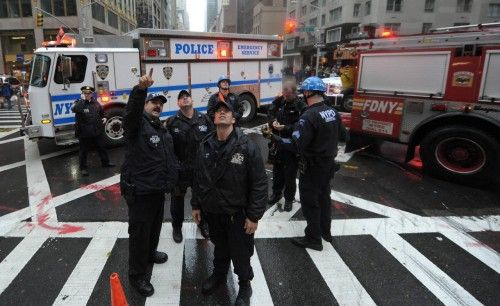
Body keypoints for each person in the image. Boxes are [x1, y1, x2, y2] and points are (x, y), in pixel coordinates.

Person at [191, 100, 268, 306]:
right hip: (214, 212)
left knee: (241, 253)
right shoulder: (205, 145)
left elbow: (259, 184)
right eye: (218, 111)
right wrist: (196, 204)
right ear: (213, 118)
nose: (222, 113)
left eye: (226, 111)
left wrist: (253, 216)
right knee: (220, 248)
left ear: (234, 118)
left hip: (238, 215)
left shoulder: (246, 146)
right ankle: (218, 275)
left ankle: (245, 284)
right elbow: (199, 177)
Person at [265, 76, 340, 251]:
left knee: (310, 202)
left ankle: (313, 239)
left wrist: (273, 137)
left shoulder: (309, 116)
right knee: (324, 198)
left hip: (312, 167)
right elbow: (344, 136)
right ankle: (325, 232)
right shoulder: (333, 112)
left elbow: (294, 145)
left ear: (307, 92)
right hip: (328, 165)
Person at [120, 73, 178, 297]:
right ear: (144, 104)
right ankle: (136, 276)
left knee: (154, 228)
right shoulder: (136, 125)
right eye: (153, 102)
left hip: (156, 190)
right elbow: (131, 113)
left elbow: (167, 159)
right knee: (139, 234)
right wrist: (140, 89)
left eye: (161, 104)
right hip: (140, 192)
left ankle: (150, 253)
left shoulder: (159, 128)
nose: (158, 106)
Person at [165, 89, 212, 243]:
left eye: (187, 96)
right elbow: (166, 148)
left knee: (202, 199)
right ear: (178, 103)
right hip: (180, 171)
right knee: (177, 200)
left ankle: (202, 223)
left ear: (192, 100)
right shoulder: (172, 122)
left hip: (200, 169)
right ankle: (177, 227)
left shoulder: (204, 119)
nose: (185, 98)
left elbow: (213, 141)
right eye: (181, 98)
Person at [265, 81, 306, 211]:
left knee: (290, 175)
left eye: (287, 94)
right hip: (277, 144)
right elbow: (270, 113)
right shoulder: (279, 101)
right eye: (284, 93)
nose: (285, 96)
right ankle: (276, 194)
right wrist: (273, 122)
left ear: (294, 93)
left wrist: (286, 128)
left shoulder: (301, 106)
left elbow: (303, 125)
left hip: (291, 146)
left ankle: (288, 199)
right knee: (277, 172)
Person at [71, 86, 114, 176]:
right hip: (84, 132)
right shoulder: (78, 103)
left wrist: (105, 117)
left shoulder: (96, 102)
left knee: (102, 147)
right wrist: (82, 100)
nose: (87, 95)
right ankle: (83, 168)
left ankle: (105, 163)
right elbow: (74, 109)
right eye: (85, 93)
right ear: (82, 94)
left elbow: (102, 112)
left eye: (89, 93)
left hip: (96, 130)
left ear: (91, 94)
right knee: (84, 151)